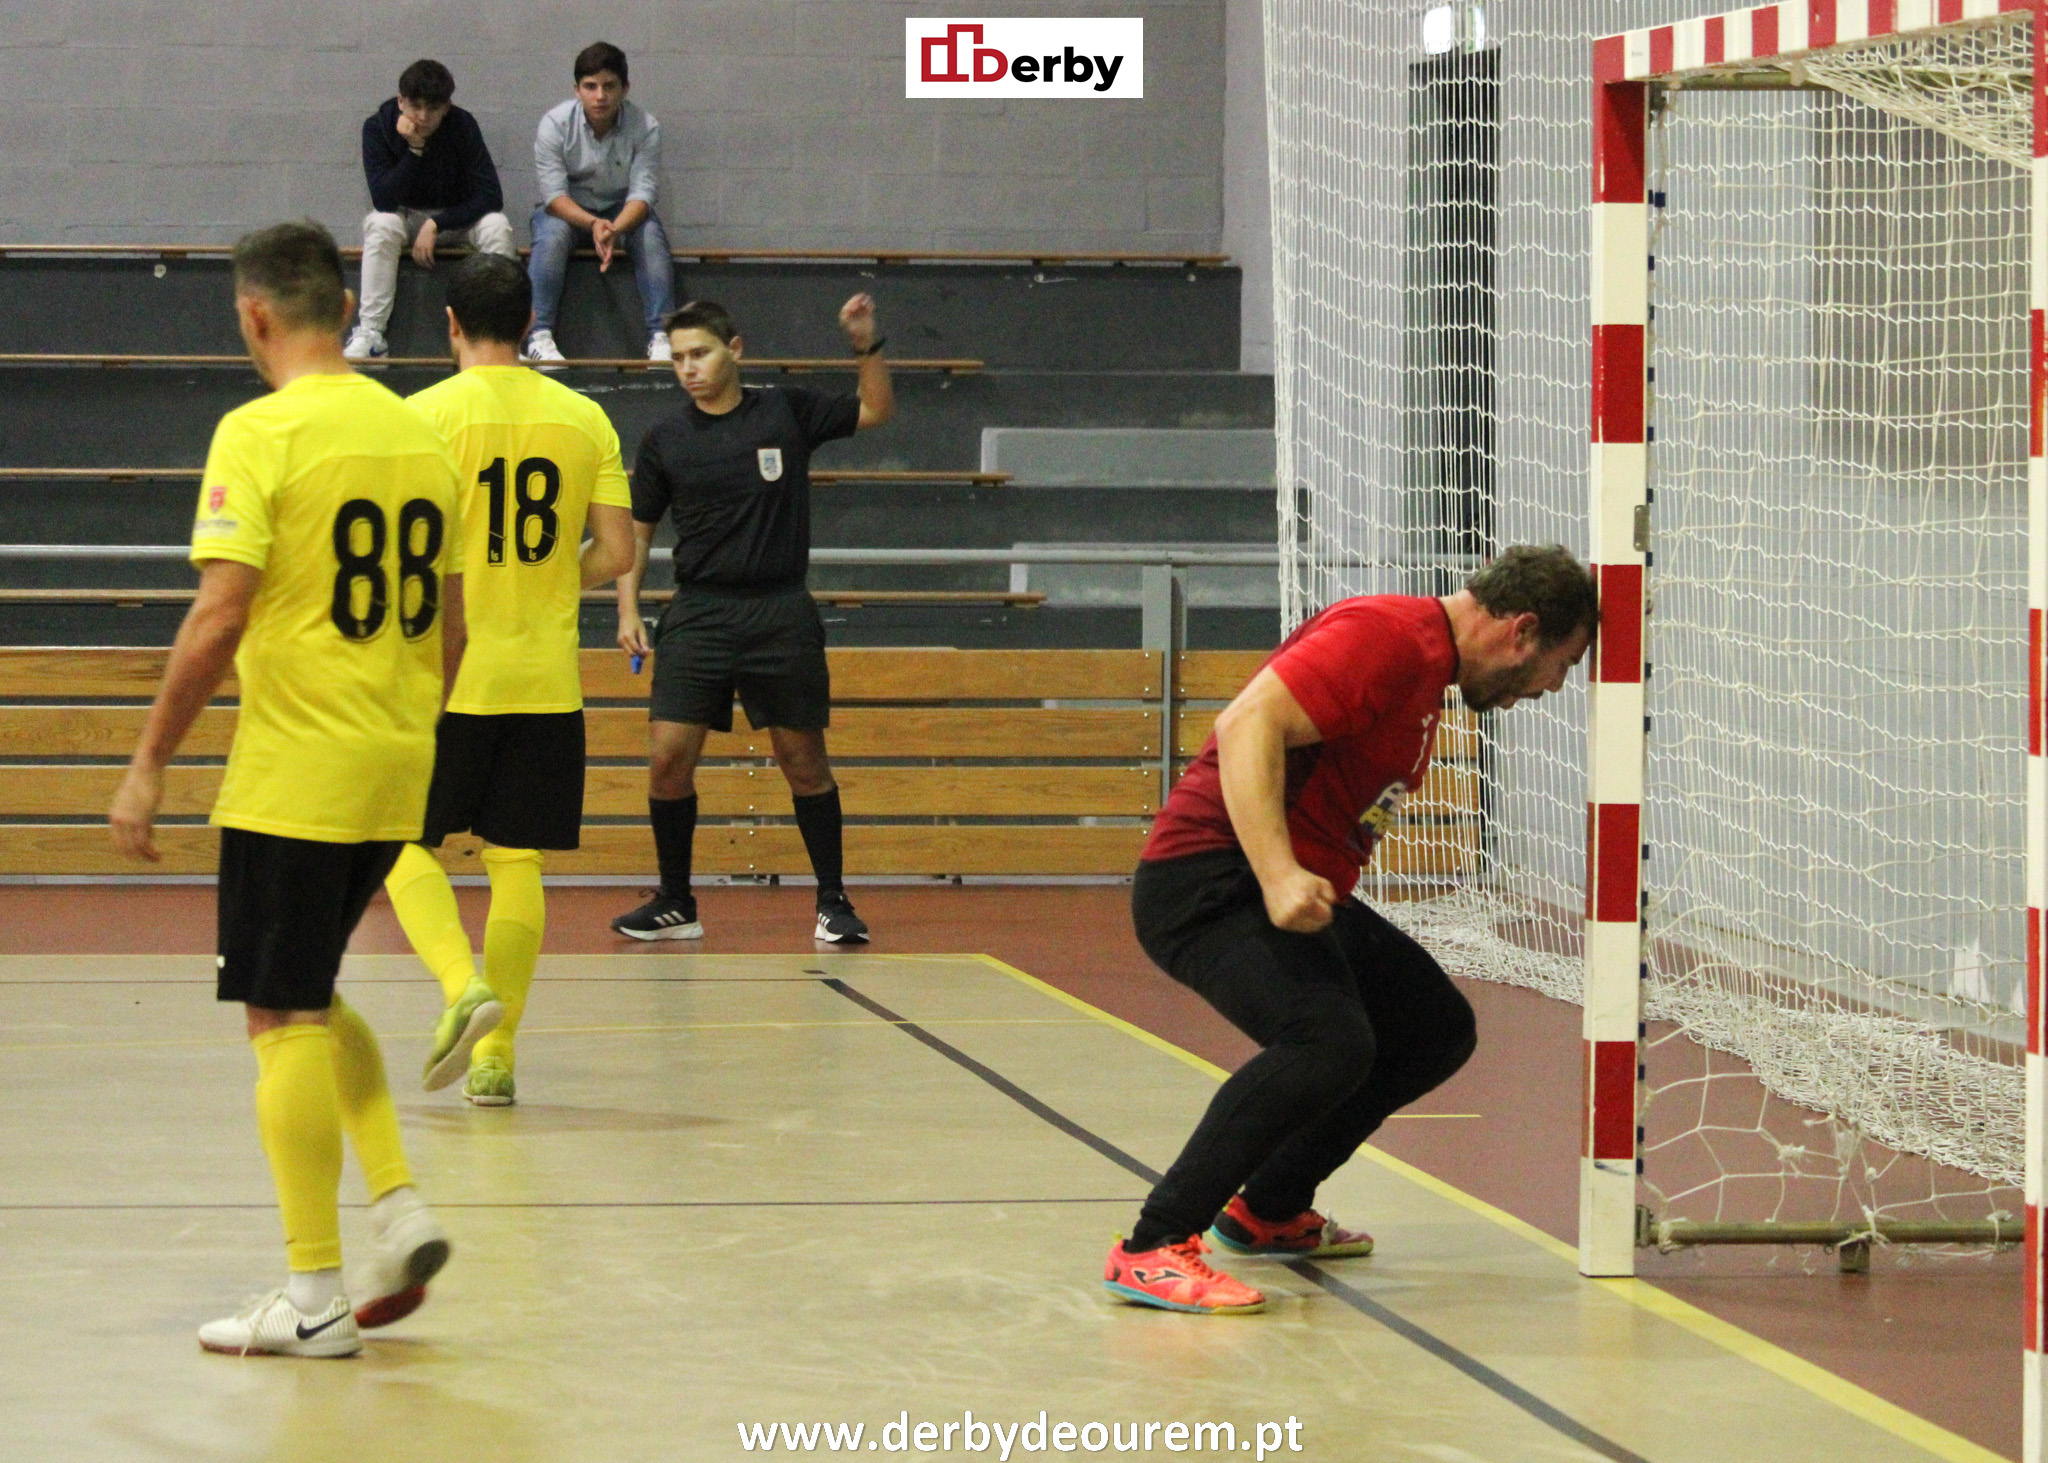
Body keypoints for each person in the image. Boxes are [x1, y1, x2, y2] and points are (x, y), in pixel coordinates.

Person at [109, 221, 466, 1355]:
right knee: (312, 989)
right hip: (395, 759)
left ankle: (313, 1298)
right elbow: (451, 629)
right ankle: (399, 1202)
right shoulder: (416, 435)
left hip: (295, 769)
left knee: (277, 1015)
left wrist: (150, 759)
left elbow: (219, 612)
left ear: (255, 315)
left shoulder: (259, 431)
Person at [1102, 546, 1599, 1314]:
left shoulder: (1429, 671)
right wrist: (1276, 874)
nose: (1552, 688)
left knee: (1430, 1026)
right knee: (1326, 1039)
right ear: (1522, 630)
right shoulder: (1391, 637)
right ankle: (1153, 1244)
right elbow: (1246, 724)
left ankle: (1266, 1208)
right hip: (1209, 879)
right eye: (1560, 665)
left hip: (1282, 880)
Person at [382, 252, 637, 1107]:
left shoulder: (419, 417)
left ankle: (462, 986)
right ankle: (499, 1059)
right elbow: (621, 550)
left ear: (449, 324)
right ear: (530, 323)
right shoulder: (583, 417)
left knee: (398, 841)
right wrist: (549, 579)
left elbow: (404, 554)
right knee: (516, 856)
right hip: (543, 677)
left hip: (445, 677)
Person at [611, 296, 893, 944]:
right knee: (666, 758)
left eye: (700, 353)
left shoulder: (785, 411)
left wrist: (865, 345)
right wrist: (627, 605)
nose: (688, 368)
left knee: (802, 759)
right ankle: (675, 900)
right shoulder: (665, 439)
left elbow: (876, 408)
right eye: (678, 358)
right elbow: (639, 529)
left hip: (779, 610)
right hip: (699, 612)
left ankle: (833, 901)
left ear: (734, 350)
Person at [347, 59, 516, 361]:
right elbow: (383, 199)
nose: (423, 117)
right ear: (400, 101)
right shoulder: (377, 127)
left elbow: (491, 195)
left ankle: (503, 337)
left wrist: (437, 224)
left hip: (455, 219)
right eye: (415, 106)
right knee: (380, 223)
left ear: (447, 106)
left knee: (497, 226)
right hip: (406, 216)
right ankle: (371, 334)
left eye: (433, 108)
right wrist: (414, 149)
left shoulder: (463, 125)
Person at [526, 42, 675, 364]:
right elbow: (553, 196)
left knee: (650, 235)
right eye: (590, 87)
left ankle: (662, 336)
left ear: (625, 88)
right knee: (550, 237)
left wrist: (613, 228)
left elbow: (643, 194)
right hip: (567, 211)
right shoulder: (554, 123)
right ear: (576, 90)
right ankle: (538, 336)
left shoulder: (646, 127)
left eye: (609, 86)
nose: (600, 96)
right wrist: (593, 224)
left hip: (621, 211)